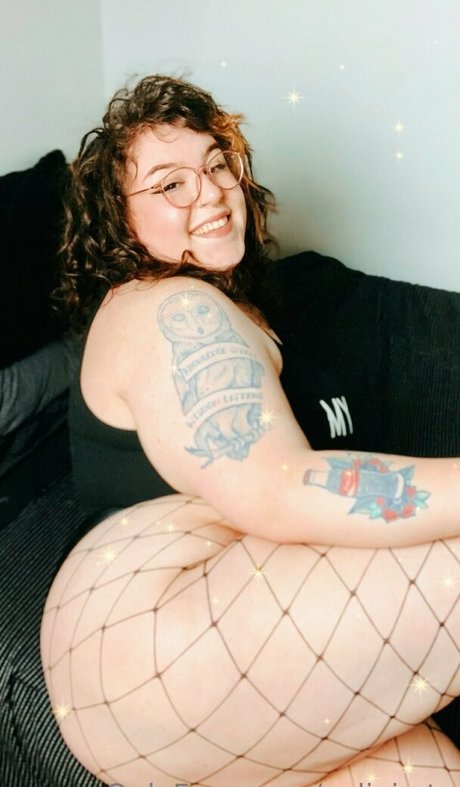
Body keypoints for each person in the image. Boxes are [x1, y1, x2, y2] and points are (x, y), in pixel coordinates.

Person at [40, 75, 460, 787]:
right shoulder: (173, 308)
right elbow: (279, 488)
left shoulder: (249, 309)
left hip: (222, 620)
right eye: (170, 185)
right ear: (119, 221)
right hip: (149, 630)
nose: (209, 192)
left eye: (216, 165)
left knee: (423, 770)